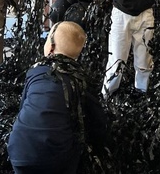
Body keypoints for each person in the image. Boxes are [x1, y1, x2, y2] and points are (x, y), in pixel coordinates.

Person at [7, 21, 107, 174]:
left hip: (20, 151)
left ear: (51, 48)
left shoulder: (35, 71)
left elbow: (22, 108)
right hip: (56, 159)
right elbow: (97, 121)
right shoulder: (81, 79)